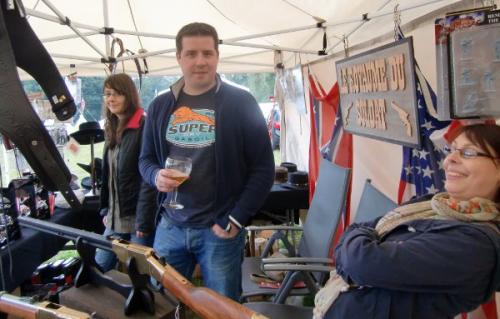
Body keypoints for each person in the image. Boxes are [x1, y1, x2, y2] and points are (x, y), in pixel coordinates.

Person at [139, 22, 274, 300]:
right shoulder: (160, 105)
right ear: (178, 57)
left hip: (218, 232)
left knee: (222, 308)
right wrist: (155, 176)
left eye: (207, 53)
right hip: (170, 227)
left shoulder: (241, 102)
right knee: (161, 305)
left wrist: (235, 219)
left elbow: (263, 168)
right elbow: (146, 159)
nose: (200, 61)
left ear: (217, 56)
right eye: (191, 54)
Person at [314, 123, 500, 319]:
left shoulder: (475, 246)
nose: (450, 159)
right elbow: (358, 232)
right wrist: (355, 246)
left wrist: (354, 246)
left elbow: (362, 262)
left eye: (469, 153)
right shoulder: (431, 203)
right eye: (451, 149)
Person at [95, 73, 157, 272]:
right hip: (115, 219)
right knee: (100, 266)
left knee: (142, 274)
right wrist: (106, 209)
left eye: (117, 94)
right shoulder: (112, 127)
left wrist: (144, 219)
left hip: (138, 219)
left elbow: (148, 180)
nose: (111, 99)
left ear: (129, 96)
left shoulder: (144, 126)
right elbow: (108, 176)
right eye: (107, 94)